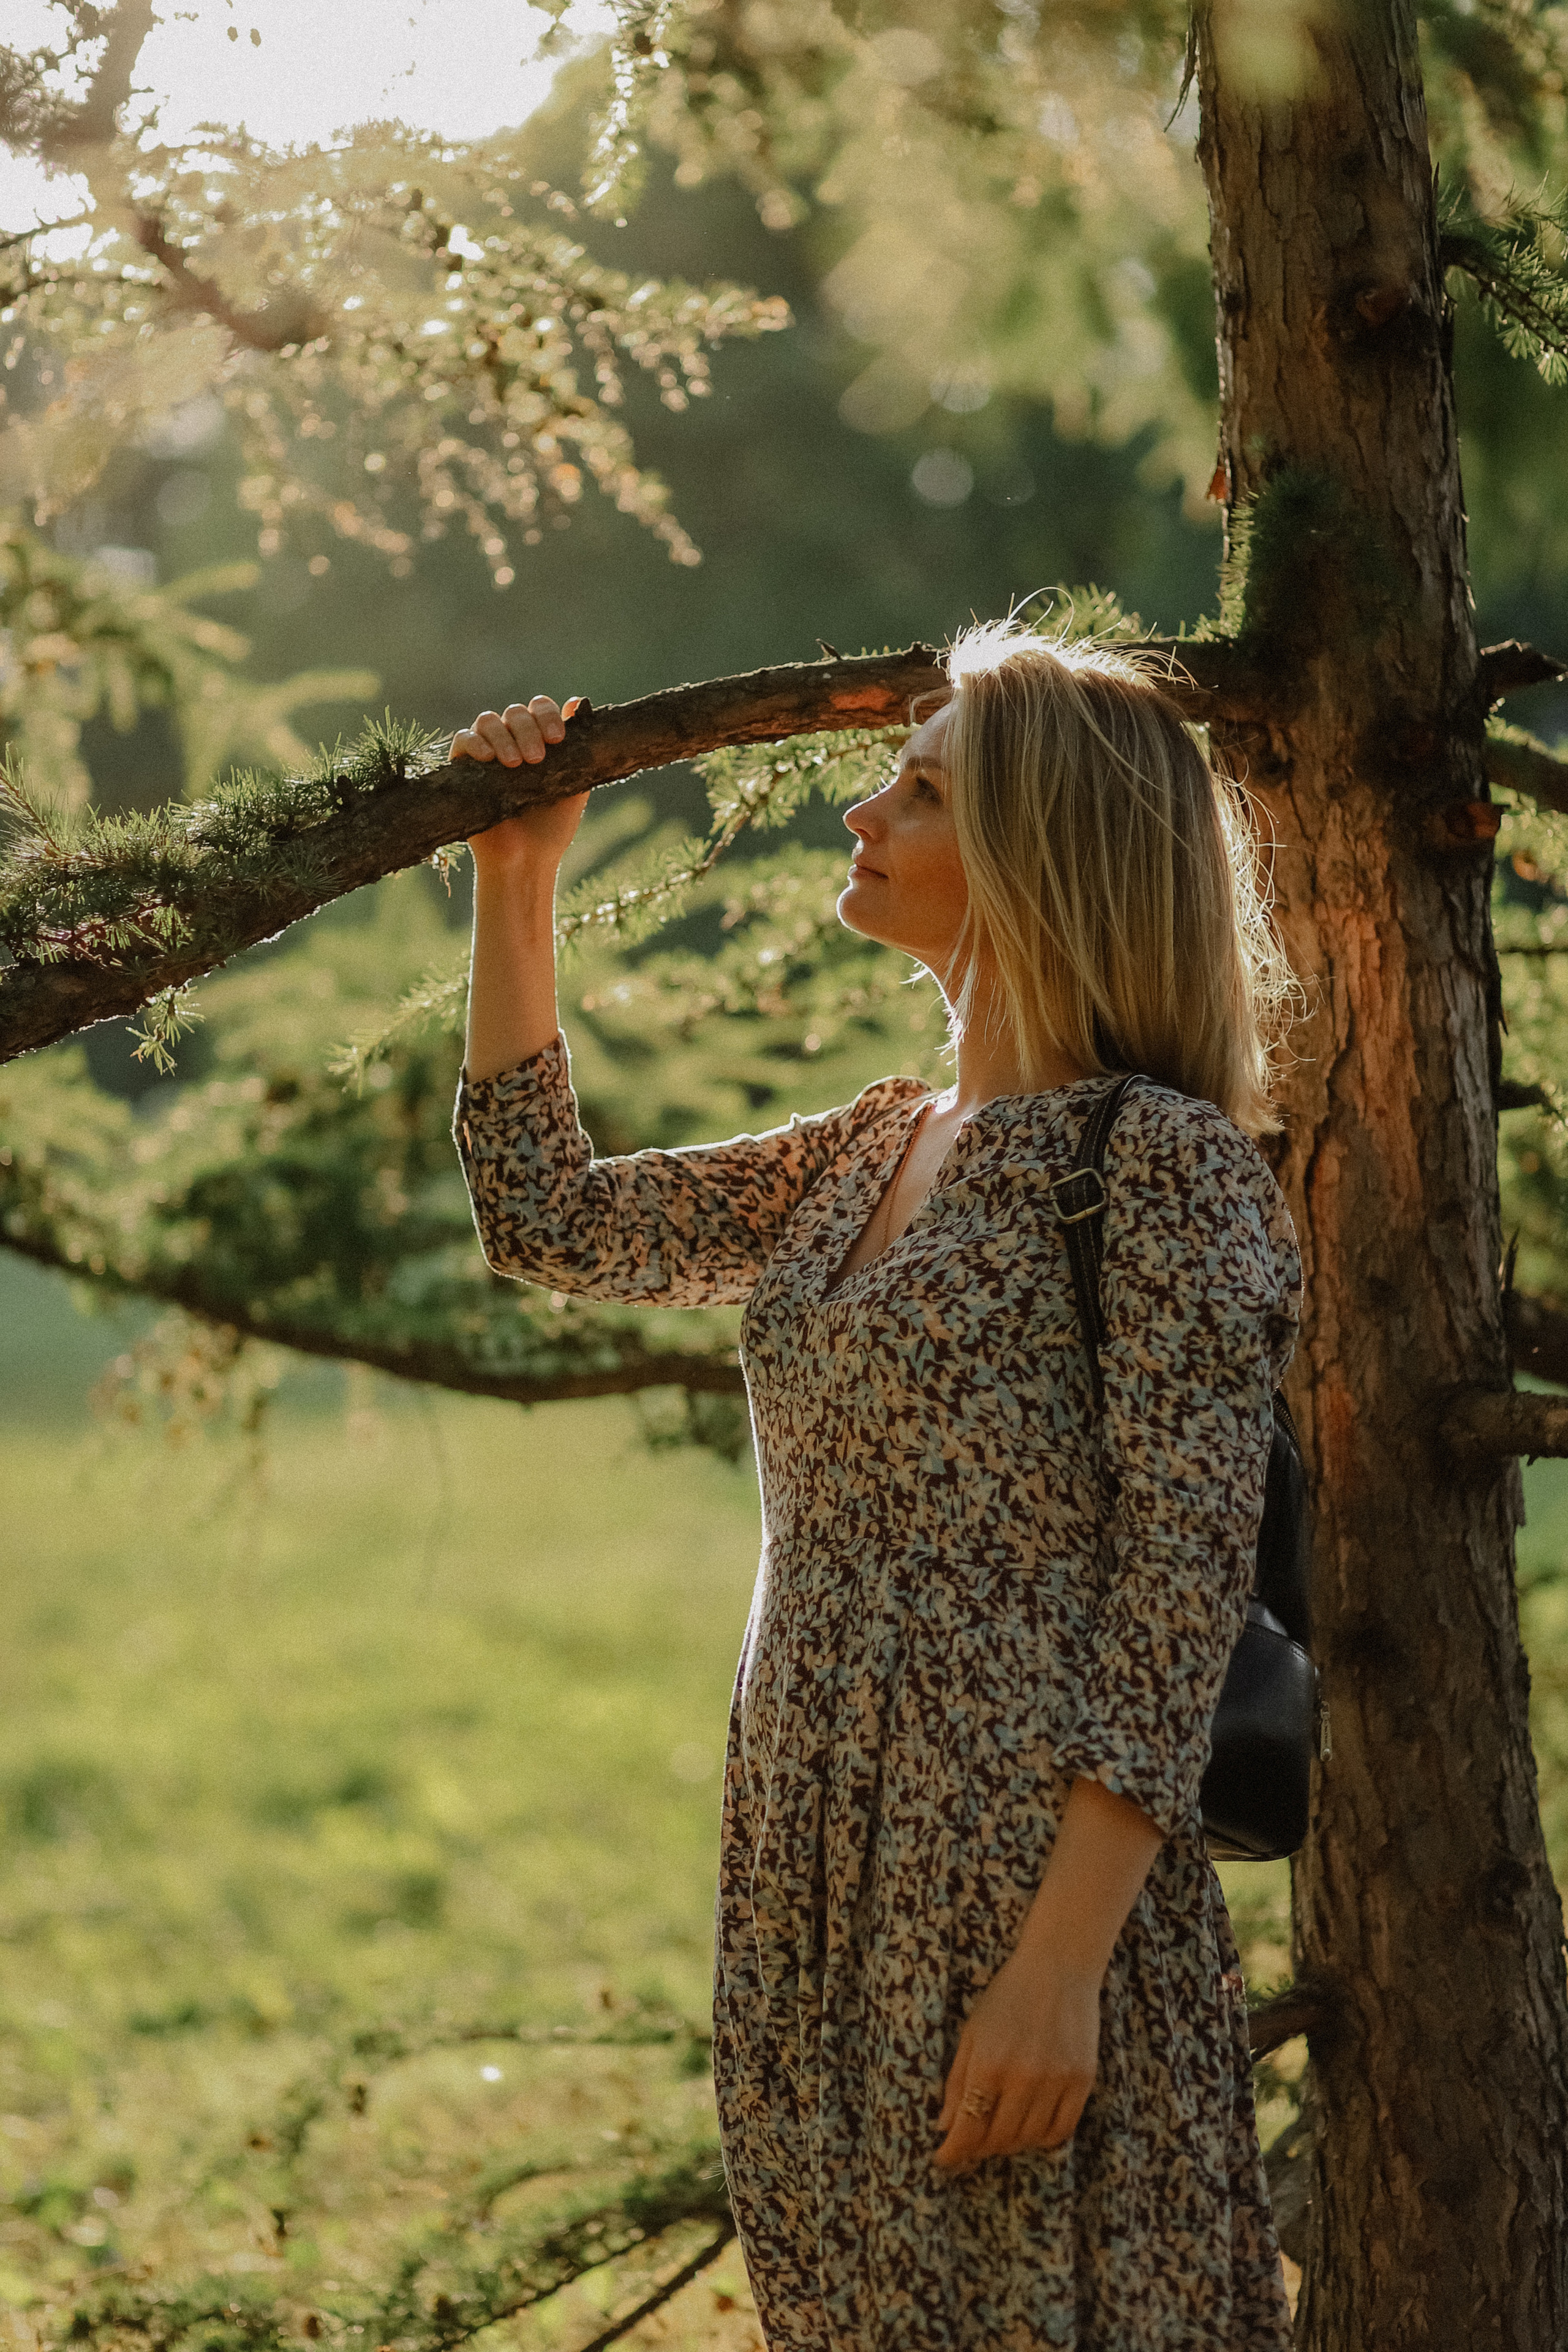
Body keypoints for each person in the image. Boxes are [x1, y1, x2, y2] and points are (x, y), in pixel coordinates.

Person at [450, 621, 1300, 2352]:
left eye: (919, 791)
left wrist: (1062, 1967)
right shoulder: (870, 1148)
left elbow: (1179, 1599)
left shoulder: (1161, 1170)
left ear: (1038, 856)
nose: (861, 811)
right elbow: (553, 1215)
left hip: (1021, 1882)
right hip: (807, 1854)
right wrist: (518, 877)